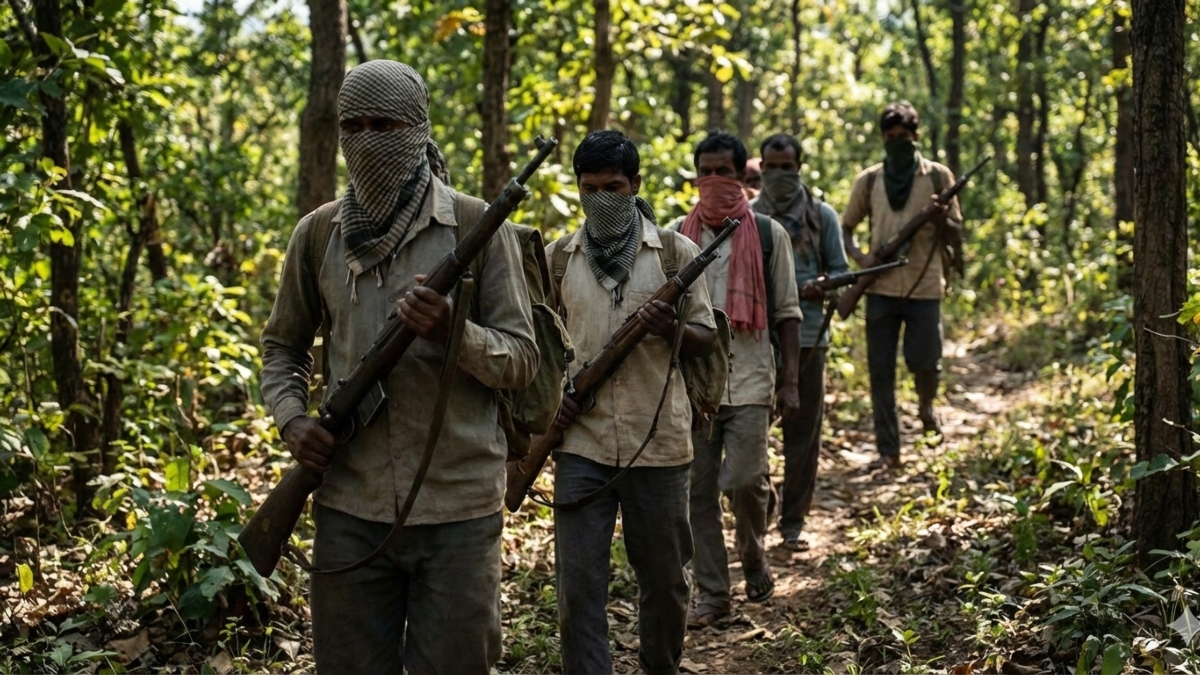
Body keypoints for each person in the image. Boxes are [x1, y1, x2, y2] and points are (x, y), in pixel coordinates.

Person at [259, 60, 538, 674]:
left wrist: (454, 333)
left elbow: (522, 359)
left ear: (416, 128)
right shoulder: (318, 234)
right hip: (348, 504)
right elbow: (282, 348)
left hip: (457, 509)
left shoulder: (477, 226)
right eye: (352, 127)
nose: (366, 141)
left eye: (382, 126)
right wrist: (292, 420)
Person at [547, 130, 717, 674]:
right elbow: (539, 349)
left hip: (659, 442)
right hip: (582, 444)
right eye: (590, 189)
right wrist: (551, 404)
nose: (601, 199)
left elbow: (706, 337)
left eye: (613, 187)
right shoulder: (557, 260)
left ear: (635, 185)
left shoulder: (674, 253)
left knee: (666, 583)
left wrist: (669, 328)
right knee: (578, 589)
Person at [671, 131, 802, 628]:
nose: (715, 180)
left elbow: (788, 313)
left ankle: (752, 552)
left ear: (742, 176)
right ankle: (713, 593)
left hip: (750, 378)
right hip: (692, 387)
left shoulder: (768, 234)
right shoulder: (677, 237)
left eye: (724, 171)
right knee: (697, 492)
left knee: (745, 481)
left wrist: (790, 382)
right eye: (706, 171)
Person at [840, 101, 963, 470]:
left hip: (925, 287)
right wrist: (862, 259)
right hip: (879, 288)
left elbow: (957, 233)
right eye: (891, 136)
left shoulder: (938, 177)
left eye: (904, 136)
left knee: (926, 362)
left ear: (916, 136)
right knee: (881, 374)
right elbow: (846, 227)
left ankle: (926, 407)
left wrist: (940, 219)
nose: (897, 142)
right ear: (883, 138)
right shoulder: (870, 180)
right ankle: (888, 450)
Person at [751, 133, 849, 550]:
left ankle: (792, 523)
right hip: (758, 341)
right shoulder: (749, 216)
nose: (778, 175)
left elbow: (841, 272)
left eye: (786, 167)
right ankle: (761, 509)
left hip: (810, 337)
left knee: (803, 437)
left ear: (799, 168)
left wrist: (820, 285)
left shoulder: (821, 216)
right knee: (751, 435)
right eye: (770, 167)